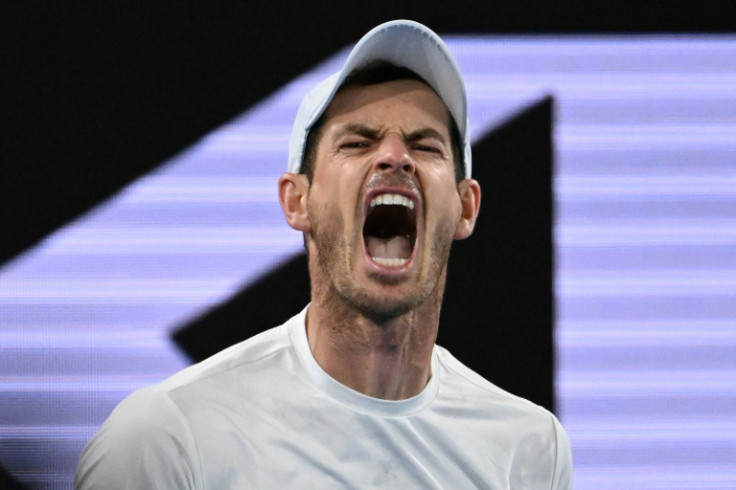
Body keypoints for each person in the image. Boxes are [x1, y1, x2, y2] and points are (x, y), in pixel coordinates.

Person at [75, 20, 573, 489]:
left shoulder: (528, 449)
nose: (395, 156)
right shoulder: (168, 436)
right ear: (297, 200)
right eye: (358, 142)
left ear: (466, 207)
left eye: (425, 146)